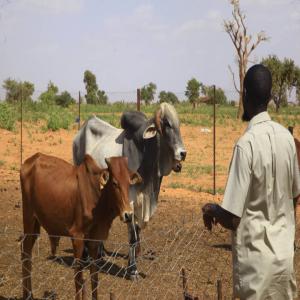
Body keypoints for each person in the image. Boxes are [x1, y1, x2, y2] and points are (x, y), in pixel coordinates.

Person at [202, 64, 300, 300]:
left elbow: (233, 217)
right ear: (269, 97)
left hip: (256, 270)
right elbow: (296, 195)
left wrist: (211, 209)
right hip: (284, 262)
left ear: (244, 95)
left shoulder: (245, 146)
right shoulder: (287, 139)